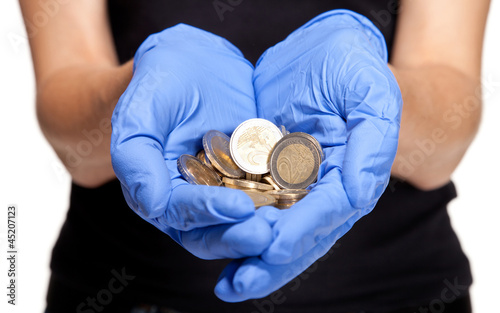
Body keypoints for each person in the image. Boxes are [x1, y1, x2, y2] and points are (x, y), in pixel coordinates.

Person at [20, 0, 489, 312]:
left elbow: (443, 145)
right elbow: (75, 143)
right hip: (122, 295)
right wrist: (134, 95)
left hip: (403, 295)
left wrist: (375, 92)